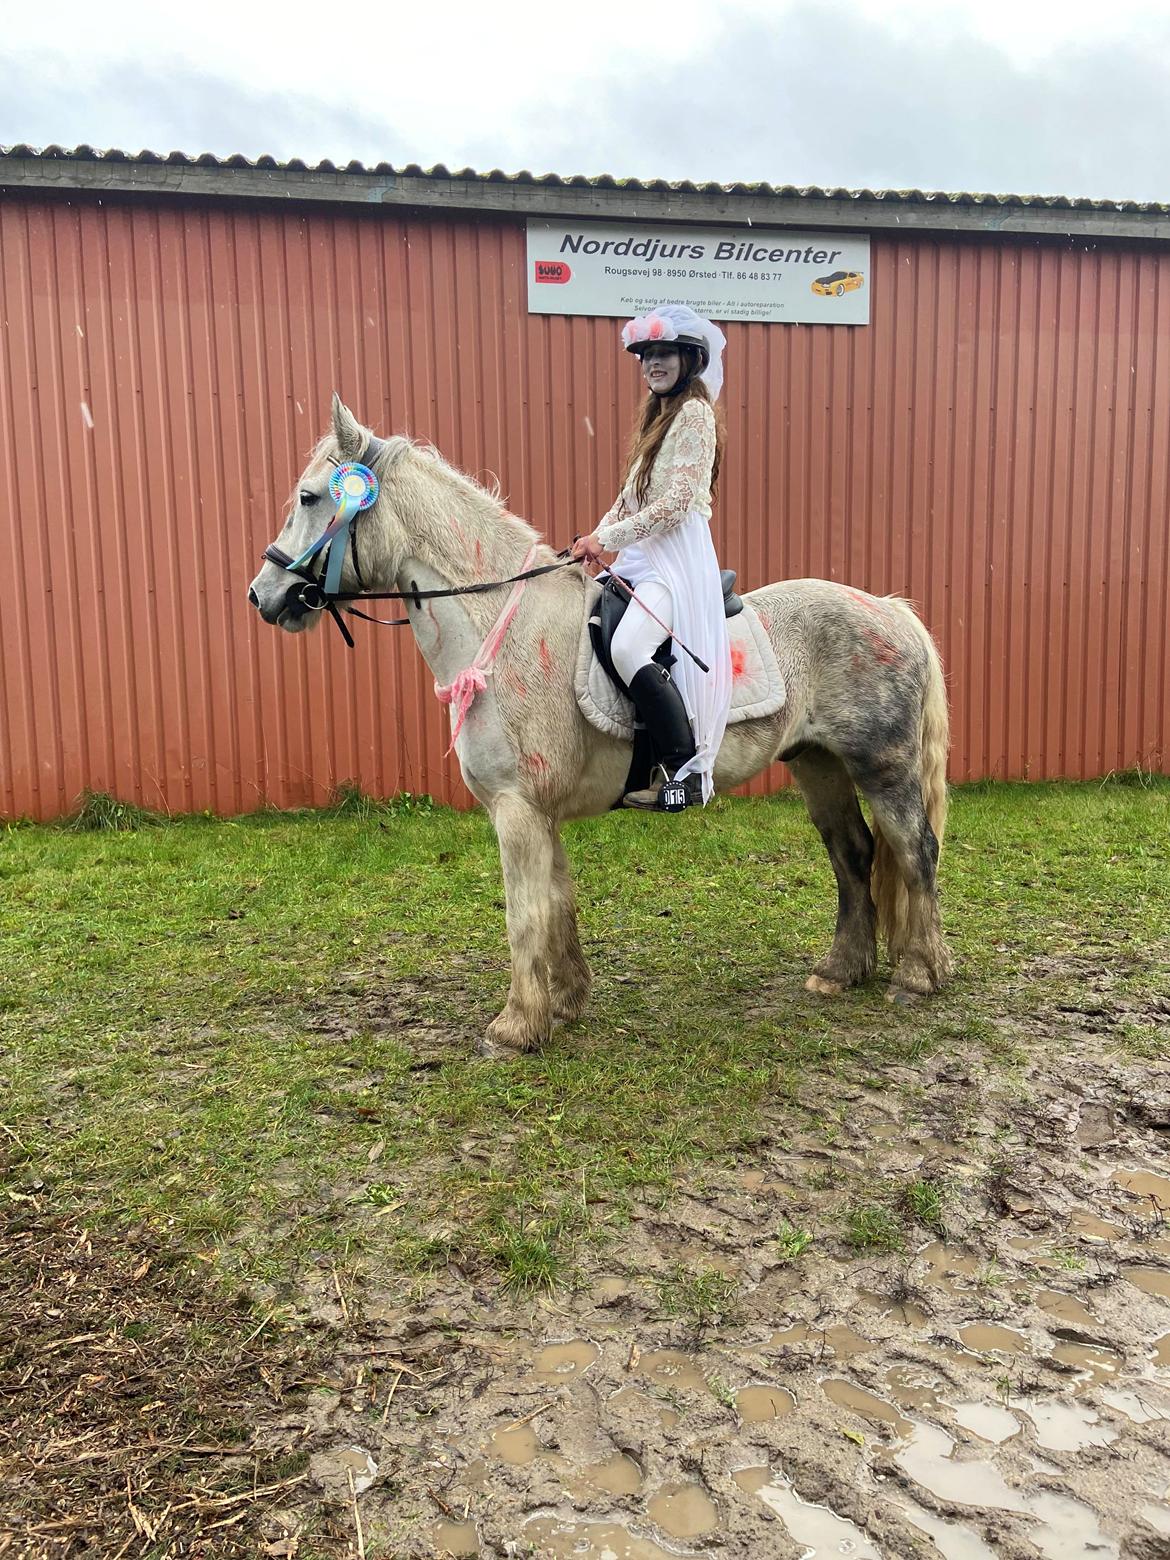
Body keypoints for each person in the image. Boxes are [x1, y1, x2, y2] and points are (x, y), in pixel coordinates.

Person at [572, 304, 732, 811]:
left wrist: (610, 537)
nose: (652, 365)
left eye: (662, 355)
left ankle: (682, 772)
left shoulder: (695, 415)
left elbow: (675, 505)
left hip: (674, 559)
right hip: (643, 554)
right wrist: (594, 538)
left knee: (628, 649)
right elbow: (631, 497)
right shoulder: (656, 416)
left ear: (689, 358)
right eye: (645, 358)